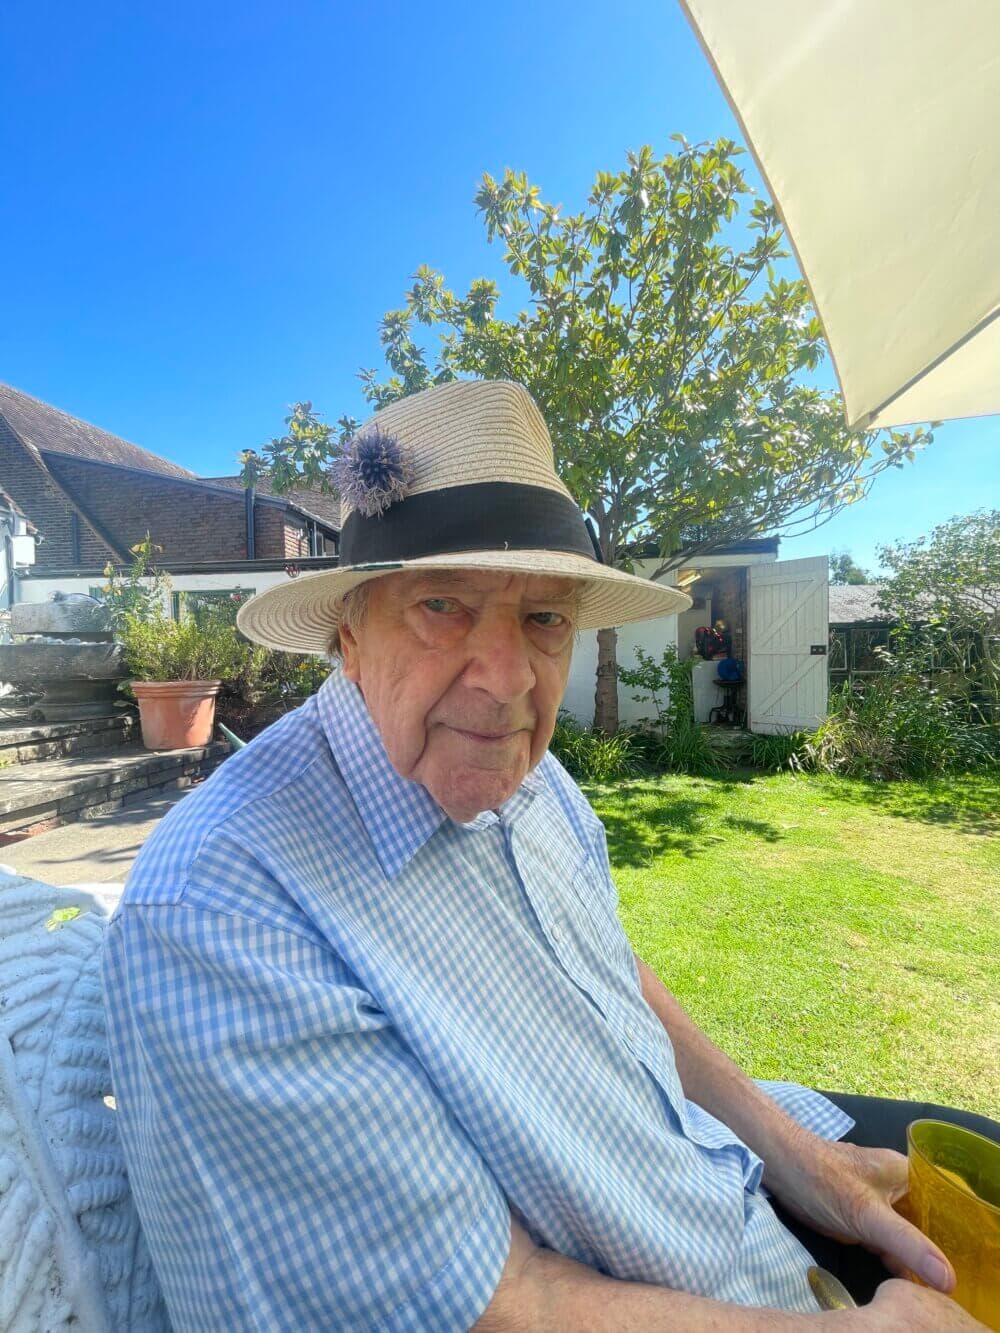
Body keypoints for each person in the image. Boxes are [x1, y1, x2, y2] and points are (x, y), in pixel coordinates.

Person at [103, 380, 995, 1331]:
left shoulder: (537, 786)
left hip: (712, 1184)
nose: (508, 680)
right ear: (347, 634)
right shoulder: (226, 907)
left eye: (545, 618)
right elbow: (491, 1305)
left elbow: (610, 971)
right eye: (444, 604)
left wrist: (799, 1158)